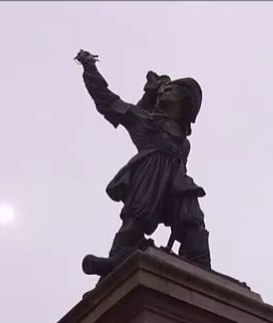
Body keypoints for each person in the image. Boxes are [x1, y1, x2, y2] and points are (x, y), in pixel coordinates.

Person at [73, 49, 211, 279]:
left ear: (185, 103)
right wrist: (90, 68)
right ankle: (118, 258)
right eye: (162, 90)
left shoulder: (184, 140)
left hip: (178, 179)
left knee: (192, 218)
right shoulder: (143, 118)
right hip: (150, 172)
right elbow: (107, 100)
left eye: (170, 90)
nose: (162, 92)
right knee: (138, 215)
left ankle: (201, 265)